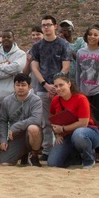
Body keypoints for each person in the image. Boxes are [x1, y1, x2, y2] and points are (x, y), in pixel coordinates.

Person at [29, 15, 74, 158]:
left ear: (55, 26)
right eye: (43, 25)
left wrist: (55, 86)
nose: (46, 27)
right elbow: (35, 67)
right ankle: (47, 150)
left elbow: (66, 66)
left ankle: (66, 148)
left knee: (64, 119)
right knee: (46, 122)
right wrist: (46, 85)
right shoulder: (37, 46)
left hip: (61, 89)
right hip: (43, 89)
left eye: (49, 24)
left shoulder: (63, 45)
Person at [47, 73, 99, 169]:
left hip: (88, 131)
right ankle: (75, 157)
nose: (58, 88)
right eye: (56, 86)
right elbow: (53, 120)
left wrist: (62, 129)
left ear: (69, 84)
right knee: (53, 162)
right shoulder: (55, 100)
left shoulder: (81, 98)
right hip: (67, 135)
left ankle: (88, 160)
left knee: (78, 134)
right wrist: (57, 135)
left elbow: (83, 123)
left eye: (61, 85)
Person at [75, 25, 99, 142]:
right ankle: (92, 148)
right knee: (86, 121)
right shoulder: (80, 53)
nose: (92, 37)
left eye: (95, 35)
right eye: (90, 34)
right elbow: (78, 73)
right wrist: (78, 91)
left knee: (96, 121)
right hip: (84, 93)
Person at [0, 73, 43, 167]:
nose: (20, 88)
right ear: (14, 86)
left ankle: (34, 156)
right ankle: (23, 155)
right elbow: (2, 121)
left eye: (23, 85)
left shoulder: (36, 100)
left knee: (33, 128)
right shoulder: (7, 100)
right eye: (17, 85)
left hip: (31, 134)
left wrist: (15, 126)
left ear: (29, 87)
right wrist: (3, 140)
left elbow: (36, 119)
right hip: (15, 136)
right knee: (4, 163)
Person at [0, 30, 27, 130]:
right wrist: (8, 68)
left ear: (13, 38)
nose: (6, 39)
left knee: (16, 126)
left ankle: (14, 146)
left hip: (15, 98)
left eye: (8, 37)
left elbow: (17, 68)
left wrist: (0, 67)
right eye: (4, 37)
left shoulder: (21, 54)